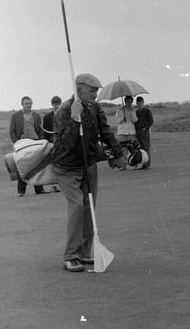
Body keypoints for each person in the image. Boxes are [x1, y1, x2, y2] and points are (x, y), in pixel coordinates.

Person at [52, 73, 125, 272]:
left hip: (88, 164)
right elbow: (64, 146)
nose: (95, 94)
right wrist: (75, 119)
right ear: (79, 90)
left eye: (96, 91)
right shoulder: (64, 111)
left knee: (88, 207)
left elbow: (106, 132)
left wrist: (117, 154)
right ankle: (70, 256)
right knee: (77, 206)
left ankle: (84, 253)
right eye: (92, 90)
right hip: (66, 167)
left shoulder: (94, 107)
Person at [9, 96, 48, 196]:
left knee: (37, 166)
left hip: (35, 142)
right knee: (22, 167)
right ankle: (21, 191)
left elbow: (40, 130)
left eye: (30, 103)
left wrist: (41, 141)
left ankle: (39, 189)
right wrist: (16, 143)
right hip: (22, 144)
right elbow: (12, 132)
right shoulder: (15, 116)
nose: (28, 105)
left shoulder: (36, 116)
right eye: (26, 103)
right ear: (22, 104)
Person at [41, 95, 62, 192]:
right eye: (54, 104)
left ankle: (63, 185)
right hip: (51, 144)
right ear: (52, 105)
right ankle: (54, 185)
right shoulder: (47, 117)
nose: (56, 106)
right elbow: (45, 132)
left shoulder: (64, 114)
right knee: (52, 165)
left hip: (63, 143)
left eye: (58, 104)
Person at [135, 96, 153, 169]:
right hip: (138, 131)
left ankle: (147, 164)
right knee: (141, 148)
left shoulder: (147, 110)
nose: (139, 104)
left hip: (144, 131)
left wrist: (146, 128)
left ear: (143, 102)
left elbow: (151, 121)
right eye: (138, 103)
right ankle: (143, 163)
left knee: (146, 147)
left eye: (141, 102)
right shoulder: (136, 112)